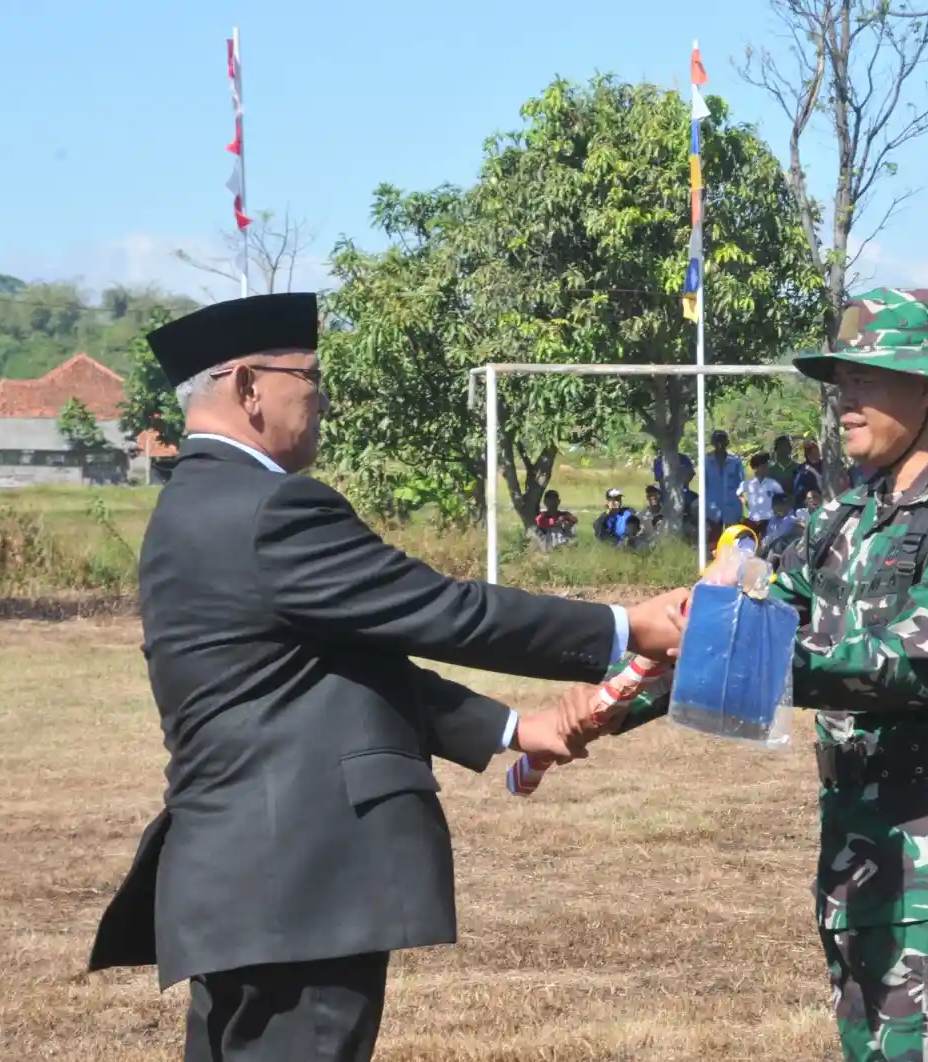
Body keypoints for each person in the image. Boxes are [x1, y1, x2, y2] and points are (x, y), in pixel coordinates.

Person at [83, 293, 687, 1062]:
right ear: (247, 385)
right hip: (298, 885)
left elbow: (331, 664)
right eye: (310, 377)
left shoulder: (193, 506)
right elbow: (440, 610)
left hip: (246, 887)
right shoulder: (271, 508)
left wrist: (511, 728)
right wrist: (625, 627)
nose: (323, 398)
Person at [574, 287, 928, 1062]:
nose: (845, 399)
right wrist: (601, 708)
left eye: (866, 379)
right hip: (861, 862)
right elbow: (736, 622)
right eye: (841, 381)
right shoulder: (844, 521)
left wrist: (752, 649)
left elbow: (913, 659)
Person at [704, 429, 746, 541]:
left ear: (727, 442)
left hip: (732, 507)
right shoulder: (706, 462)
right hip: (712, 508)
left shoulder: (735, 461)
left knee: (733, 539)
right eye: (717, 441)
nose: (720, 444)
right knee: (714, 541)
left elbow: (741, 484)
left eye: (722, 440)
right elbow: (703, 485)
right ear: (712, 443)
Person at [737, 451, 784, 538]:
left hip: (769, 521)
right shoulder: (747, 483)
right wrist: (744, 502)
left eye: (767, 466)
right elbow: (738, 494)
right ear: (756, 468)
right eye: (764, 466)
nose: (767, 468)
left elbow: (781, 498)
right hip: (752, 521)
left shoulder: (772, 483)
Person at [768, 433, 801, 498]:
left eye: (785, 446)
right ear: (776, 449)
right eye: (780, 447)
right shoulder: (770, 471)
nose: (782, 450)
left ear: (790, 449)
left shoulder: (798, 468)